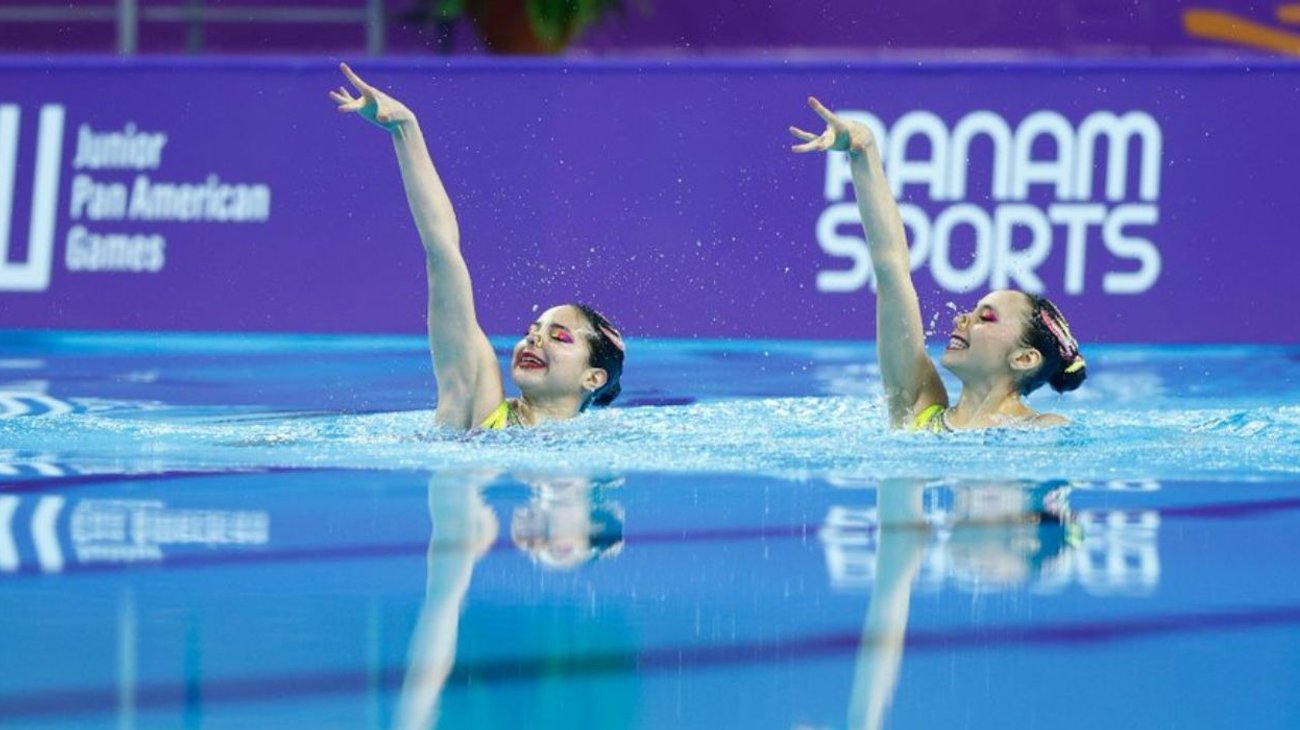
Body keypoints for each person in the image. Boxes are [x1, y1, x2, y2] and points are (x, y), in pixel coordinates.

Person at [330, 63, 625, 430]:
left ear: (593, 379)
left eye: (558, 336)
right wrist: (405, 127)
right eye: (532, 331)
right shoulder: (478, 403)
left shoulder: (591, 459)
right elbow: (443, 251)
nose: (533, 340)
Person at [790, 98, 1086, 431]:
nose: (962, 318)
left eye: (985, 316)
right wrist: (864, 150)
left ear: (1024, 358)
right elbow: (891, 270)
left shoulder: (1045, 429)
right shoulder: (917, 408)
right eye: (973, 311)